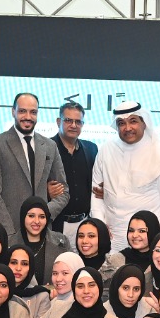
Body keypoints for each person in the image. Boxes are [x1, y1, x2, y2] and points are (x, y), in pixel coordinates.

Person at [0, 93, 69, 230]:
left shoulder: (50, 146)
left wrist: (43, 215)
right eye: (22, 111)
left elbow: (64, 192)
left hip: (43, 231)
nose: (28, 117)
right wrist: (8, 232)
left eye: (33, 112)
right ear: (13, 112)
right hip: (10, 229)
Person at [92, 100, 160, 250]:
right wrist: (99, 226)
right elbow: (95, 195)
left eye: (133, 121)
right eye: (121, 123)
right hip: (113, 235)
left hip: (147, 237)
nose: (127, 128)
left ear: (144, 123)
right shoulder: (106, 150)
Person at [50, 103, 96, 243]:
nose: (73, 125)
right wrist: (45, 190)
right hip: (55, 224)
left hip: (85, 224)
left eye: (78, 122)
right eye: (68, 120)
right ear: (59, 122)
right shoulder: (46, 148)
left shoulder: (91, 149)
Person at [16, 196, 69, 284]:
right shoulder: (8, 244)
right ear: (23, 217)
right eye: (31, 216)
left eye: (42, 217)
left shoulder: (61, 242)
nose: (37, 221)